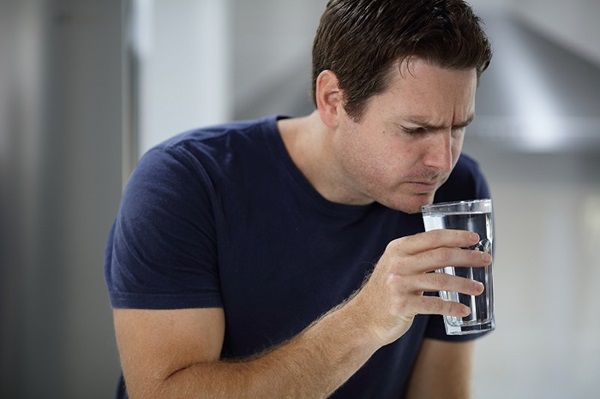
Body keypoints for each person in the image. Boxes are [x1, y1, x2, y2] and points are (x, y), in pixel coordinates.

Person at [104, 0, 494, 397]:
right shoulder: (183, 184)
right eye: (415, 129)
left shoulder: (457, 193)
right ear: (332, 100)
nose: (442, 161)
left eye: (458, 128)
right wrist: (363, 322)